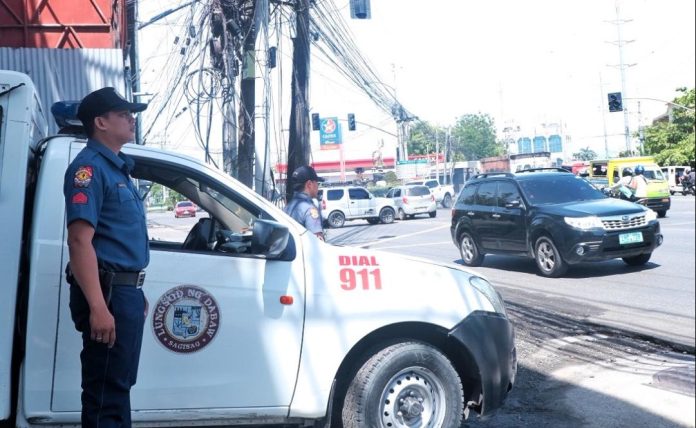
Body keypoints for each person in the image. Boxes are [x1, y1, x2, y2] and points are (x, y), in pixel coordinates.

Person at [63, 87, 149, 427]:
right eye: (123, 113)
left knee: (118, 386)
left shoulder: (118, 170)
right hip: (107, 294)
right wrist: (99, 307)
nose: (132, 118)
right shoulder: (89, 170)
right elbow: (79, 241)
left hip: (122, 293)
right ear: (100, 122)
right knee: (105, 394)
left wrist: (134, 289)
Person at [284, 165, 325, 240]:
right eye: (317, 183)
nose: (318, 186)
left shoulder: (288, 207)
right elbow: (318, 241)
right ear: (309, 184)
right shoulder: (309, 209)